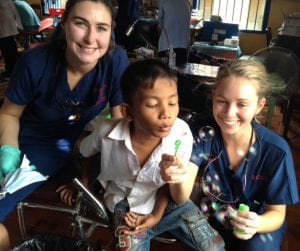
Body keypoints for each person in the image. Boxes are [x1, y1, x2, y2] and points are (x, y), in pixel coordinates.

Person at [0, 0, 129, 248]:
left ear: (111, 30)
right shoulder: (35, 62)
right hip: (23, 140)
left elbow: (120, 121)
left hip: (63, 146)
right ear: (65, 23)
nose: (91, 38)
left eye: (102, 27)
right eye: (81, 23)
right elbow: (9, 114)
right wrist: (8, 149)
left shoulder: (115, 60)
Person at [61, 59, 225, 250]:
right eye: (153, 104)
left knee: (214, 247)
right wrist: (83, 184)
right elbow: (86, 152)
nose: (166, 113)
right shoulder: (106, 132)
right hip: (126, 206)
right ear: (128, 111)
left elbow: (168, 186)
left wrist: (156, 215)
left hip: (168, 202)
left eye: (173, 102)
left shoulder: (181, 134)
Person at [190, 59, 300, 251]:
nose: (230, 113)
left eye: (242, 104)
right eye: (222, 101)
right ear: (213, 97)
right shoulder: (201, 133)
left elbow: (277, 213)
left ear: (259, 106)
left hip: (261, 222)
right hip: (213, 216)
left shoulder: (275, 151)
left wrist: (256, 223)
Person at [157, 0, 191, 66]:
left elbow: (159, 24)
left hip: (166, 46)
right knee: (181, 71)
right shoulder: (187, 3)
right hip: (183, 46)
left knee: (165, 73)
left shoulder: (164, 1)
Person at [0, 0, 23, 80]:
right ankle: (11, 69)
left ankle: (10, 71)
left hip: (5, 25)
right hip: (9, 25)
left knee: (7, 49)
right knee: (10, 47)